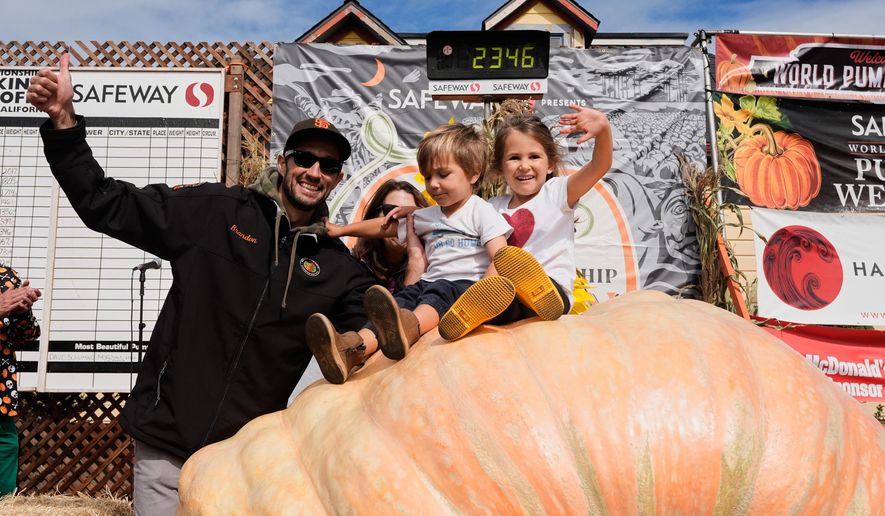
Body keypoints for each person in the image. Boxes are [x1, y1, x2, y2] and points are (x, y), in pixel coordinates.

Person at [27, 54, 378, 515]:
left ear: (338, 178)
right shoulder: (218, 212)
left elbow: (378, 325)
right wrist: (63, 122)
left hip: (245, 461)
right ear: (283, 161)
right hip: (168, 442)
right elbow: (105, 204)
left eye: (328, 165)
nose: (315, 171)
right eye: (306, 158)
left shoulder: (336, 266)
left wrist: (405, 248)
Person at [306, 124, 515, 384]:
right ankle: (352, 348)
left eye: (443, 174)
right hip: (429, 284)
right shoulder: (425, 215)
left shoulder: (480, 211)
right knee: (400, 300)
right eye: (428, 177)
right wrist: (342, 229)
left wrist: (484, 294)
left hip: (464, 288)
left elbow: (502, 256)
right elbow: (385, 227)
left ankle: (408, 329)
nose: (434, 185)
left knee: (437, 294)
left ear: (473, 174)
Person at [439, 105, 614, 339]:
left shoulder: (558, 192)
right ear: (500, 167)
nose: (524, 165)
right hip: (507, 294)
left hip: (551, 288)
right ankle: (473, 309)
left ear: (550, 163)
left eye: (534, 156)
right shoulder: (491, 207)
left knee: (523, 288)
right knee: (501, 301)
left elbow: (598, 166)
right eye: (514, 158)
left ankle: (534, 289)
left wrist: (603, 130)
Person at [0, 265, 41, 496]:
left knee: (6, 448)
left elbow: (26, 336)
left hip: (1, 393)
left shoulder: (6, 276)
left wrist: (22, 312)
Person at [352, 179, 429, 293]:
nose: (402, 222)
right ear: (374, 217)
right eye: (391, 211)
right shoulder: (353, 266)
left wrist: (416, 263)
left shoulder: (435, 269)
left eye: (412, 214)